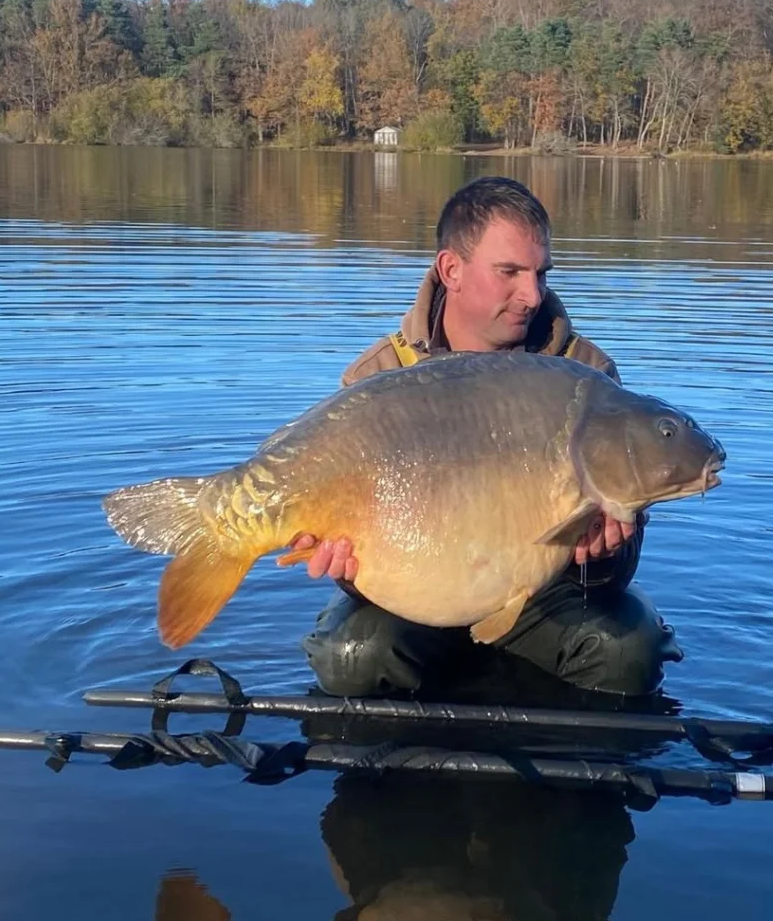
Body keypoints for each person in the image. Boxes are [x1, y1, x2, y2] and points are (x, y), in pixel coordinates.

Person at [289, 176, 682, 698]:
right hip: (417, 591)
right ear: (451, 269)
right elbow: (355, 551)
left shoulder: (585, 374)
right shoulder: (380, 376)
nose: (532, 294)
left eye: (540, 272)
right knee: (352, 658)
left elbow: (613, 576)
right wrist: (343, 566)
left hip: (542, 595)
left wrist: (604, 554)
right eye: (509, 272)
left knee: (627, 653)